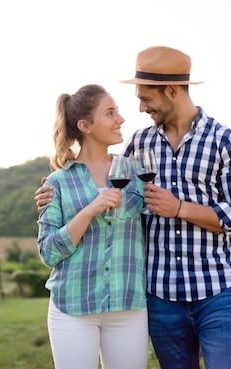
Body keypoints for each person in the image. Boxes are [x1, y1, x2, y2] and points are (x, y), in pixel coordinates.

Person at [35, 46, 231, 369]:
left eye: (146, 99)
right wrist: (52, 192)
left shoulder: (226, 141)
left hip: (217, 290)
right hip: (162, 296)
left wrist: (180, 207)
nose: (139, 108)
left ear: (171, 91)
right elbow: (94, 170)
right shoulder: (140, 146)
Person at [37, 84, 149, 369]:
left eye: (118, 112)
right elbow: (48, 253)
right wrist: (88, 211)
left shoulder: (136, 172)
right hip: (72, 306)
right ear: (85, 125)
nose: (120, 120)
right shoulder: (57, 183)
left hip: (128, 304)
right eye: (110, 113)